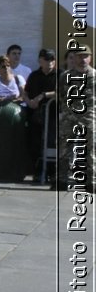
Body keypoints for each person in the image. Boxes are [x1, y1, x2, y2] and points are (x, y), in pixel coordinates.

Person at [0, 54, 30, 181]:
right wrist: (7, 99)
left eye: (8, 65)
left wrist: (15, 100)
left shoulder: (18, 79)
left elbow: (23, 96)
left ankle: (15, 171)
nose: (7, 68)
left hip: (16, 116)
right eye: (3, 66)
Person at [57, 44, 93, 191]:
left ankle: (91, 182)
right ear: (74, 58)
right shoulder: (65, 76)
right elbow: (61, 95)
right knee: (64, 149)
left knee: (91, 151)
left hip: (89, 117)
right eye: (79, 56)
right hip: (69, 117)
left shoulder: (94, 76)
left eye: (85, 56)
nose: (82, 59)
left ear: (90, 58)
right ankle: (61, 181)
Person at [25, 48, 59, 177]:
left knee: (51, 143)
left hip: (52, 115)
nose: (50, 62)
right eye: (47, 59)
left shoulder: (60, 74)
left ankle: (52, 172)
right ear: (40, 61)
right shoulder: (34, 75)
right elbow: (26, 92)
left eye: (52, 59)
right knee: (35, 143)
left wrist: (43, 95)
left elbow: (62, 91)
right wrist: (29, 101)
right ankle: (37, 171)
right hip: (35, 115)